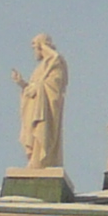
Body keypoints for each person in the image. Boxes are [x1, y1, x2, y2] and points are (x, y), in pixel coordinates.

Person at [10, 35, 66, 172]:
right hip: (35, 109)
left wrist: (38, 87)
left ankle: (40, 161)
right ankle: (34, 161)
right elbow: (32, 91)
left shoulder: (55, 63)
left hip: (46, 110)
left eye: (35, 47)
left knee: (43, 133)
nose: (34, 51)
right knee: (34, 135)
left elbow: (54, 87)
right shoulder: (42, 67)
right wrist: (22, 84)